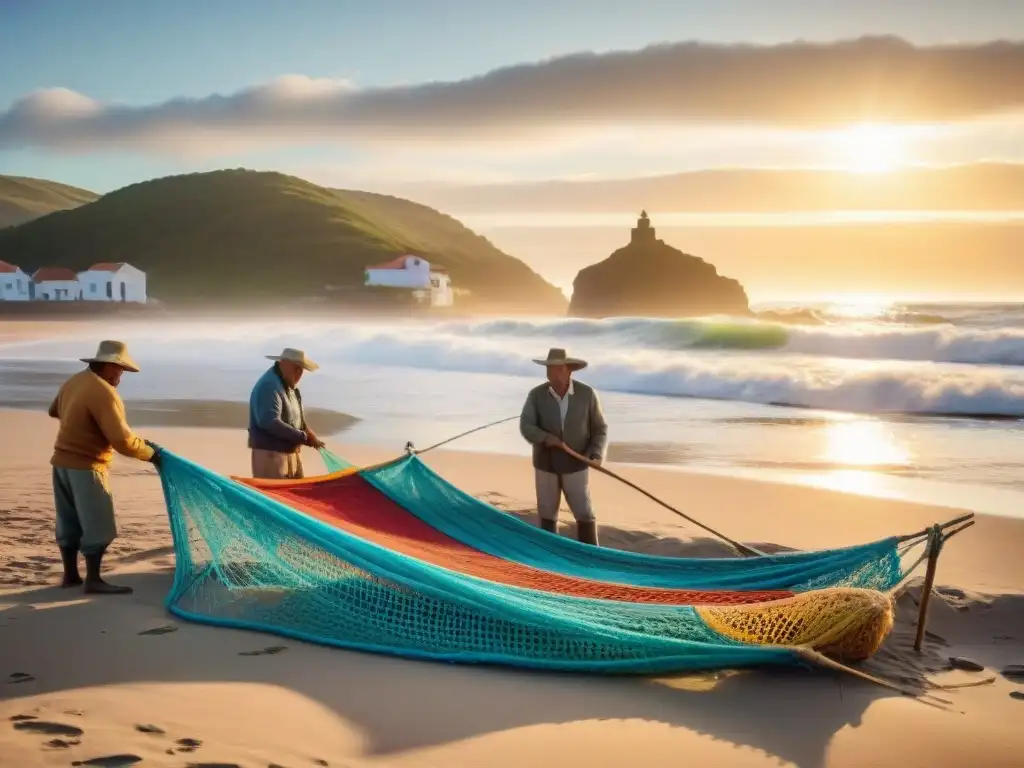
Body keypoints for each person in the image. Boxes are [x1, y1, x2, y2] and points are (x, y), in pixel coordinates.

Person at [48, 340, 162, 595]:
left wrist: (80, 422)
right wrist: (151, 454)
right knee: (98, 523)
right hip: (87, 465)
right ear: (109, 366)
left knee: (68, 521)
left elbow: (54, 410)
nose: (120, 376)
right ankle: (94, 580)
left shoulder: (75, 381)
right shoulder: (104, 393)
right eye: (120, 371)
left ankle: (70, 575)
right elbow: (122, 441)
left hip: (61, 463)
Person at [519, 347, 608, 546]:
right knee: (547, 512)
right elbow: (526, 426)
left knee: (584, 512)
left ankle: (591, 554)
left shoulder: (586, 394)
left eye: (558, 369)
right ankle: (551, 555)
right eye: (549, 369)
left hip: (576, 463)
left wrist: (595, 453)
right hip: (546, 465)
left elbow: (599, 429)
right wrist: (545, 437)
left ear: (569, 370)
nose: (553, 373)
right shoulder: (536, 395)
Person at [248, 347, 325, 479]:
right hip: (271, 456)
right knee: (273, 498)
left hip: (291, 455)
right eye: (296, 368)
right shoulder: (269, 386)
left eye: (302, 369)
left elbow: (298, 421)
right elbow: (269, 422)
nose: (299, 373)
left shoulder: (290, 387)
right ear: (283, 363)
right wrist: (303, 437)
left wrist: (311, 436)